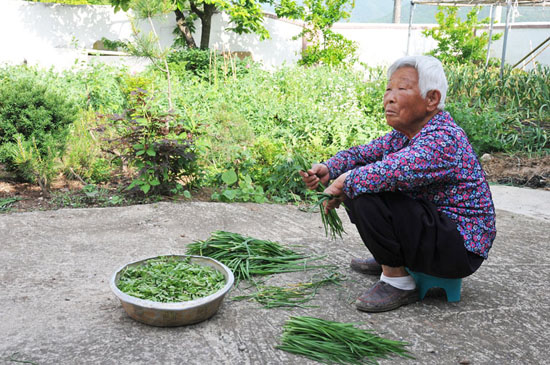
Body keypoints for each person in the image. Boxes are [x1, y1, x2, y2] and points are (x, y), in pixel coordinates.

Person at [300, 55, 496, 313]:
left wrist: (345, 181)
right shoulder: (404, 135)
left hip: (458, 247)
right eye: (388, 89)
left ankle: (398, 281)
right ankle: (390, 257)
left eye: (401, 89)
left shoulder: (444, 138)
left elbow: (394, 171)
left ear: (431, 99)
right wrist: (330, 168)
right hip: (437, 231)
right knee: (360, 178)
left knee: (364, 188)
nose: (389, 97)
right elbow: (363, 154)